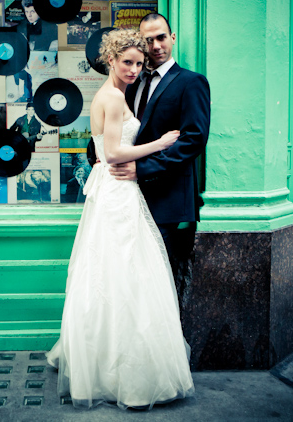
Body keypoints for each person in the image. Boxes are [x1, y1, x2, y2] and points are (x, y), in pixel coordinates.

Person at [46, 29, 193, 408]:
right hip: (115, 189)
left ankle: (108, 359)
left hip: (118, 189)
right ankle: (120, 369)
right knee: (121, 270)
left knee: (118, 272)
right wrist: (160, 144)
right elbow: (111, 152)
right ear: (110, 60)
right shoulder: (111, 97)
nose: (133, 69)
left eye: (139, 64)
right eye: (126, 62)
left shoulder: (117, 94)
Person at [110, 13, 210, 309]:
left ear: (173, 38)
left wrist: (141, 170)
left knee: (160, 286)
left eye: (161, 38)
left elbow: (193, 139)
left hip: (168, 202)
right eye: (148, 40)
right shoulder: (132, 82)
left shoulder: (191, 82)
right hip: (127, 199)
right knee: (131, 280)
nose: (155, 46)